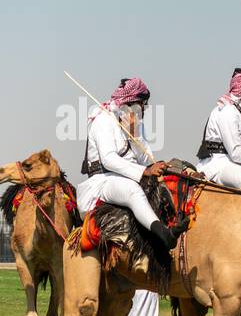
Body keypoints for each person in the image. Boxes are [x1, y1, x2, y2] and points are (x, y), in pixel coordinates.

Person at [77, 77, 187, 250]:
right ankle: (164, 234)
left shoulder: (136, 125)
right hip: (103, 181)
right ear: (131, 103)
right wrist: (145, 172)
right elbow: (109, 159)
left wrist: (157, 164)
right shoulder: (103, 121)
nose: (144, 109)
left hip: (128, 177)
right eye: (143, 104)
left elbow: (146, 160)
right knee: (132, 190)